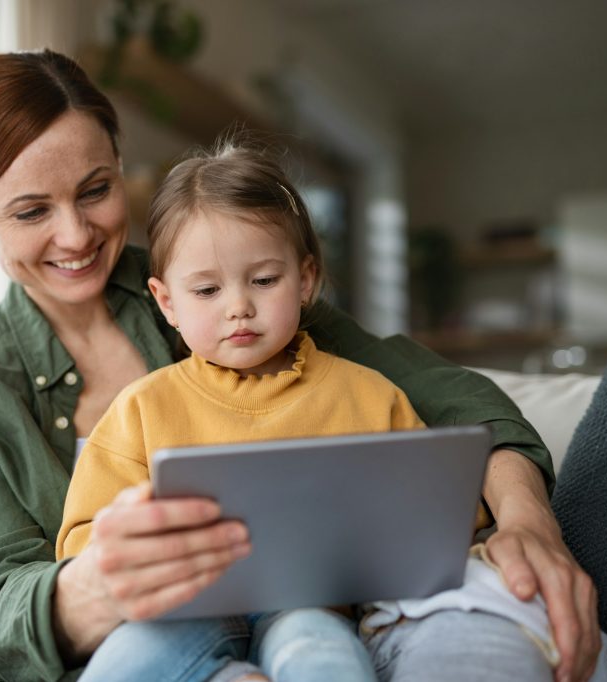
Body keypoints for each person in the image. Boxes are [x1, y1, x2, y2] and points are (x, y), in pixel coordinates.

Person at [0, 48, 607, 682]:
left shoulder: (230, 273)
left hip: (312, 616)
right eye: (31, 211)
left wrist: (529, 522)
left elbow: (453, 403)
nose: (75, 234)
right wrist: (98, 582)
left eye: (96, 190)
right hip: (157, 643)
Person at [54, 139, 425, 682]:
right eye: (206, 290)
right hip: (181, 612)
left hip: (310, 606)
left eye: (265, 280)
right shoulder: (140, 410)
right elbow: (82, 544)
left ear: (307, 280)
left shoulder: (370, 396)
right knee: (124, 663)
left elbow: (433, 518)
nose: (238, 307)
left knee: (320, 654)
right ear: (167, 303)